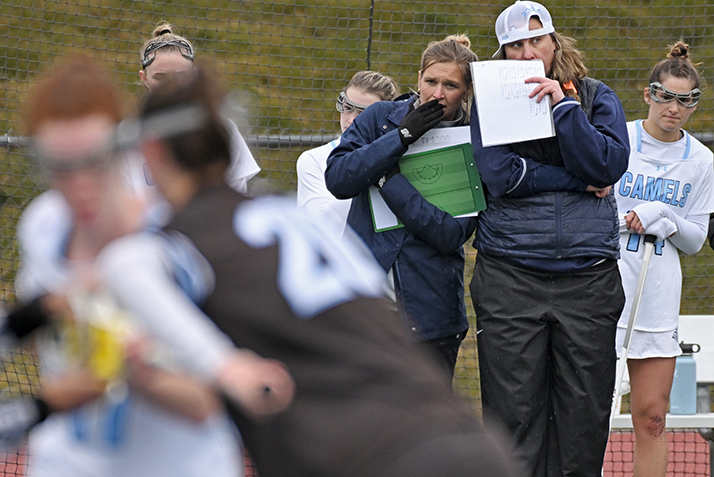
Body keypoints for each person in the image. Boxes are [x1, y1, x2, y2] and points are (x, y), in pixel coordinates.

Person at [96, 63, 520, 477]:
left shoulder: (192, 238)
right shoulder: (289, 218)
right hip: (472, 447)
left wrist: (224, 369)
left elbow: (121, 268)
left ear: (150, 151)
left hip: (376, 457)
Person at [14, 56, 292, 477]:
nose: (79, 185)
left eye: (94, 160)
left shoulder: (173, 238)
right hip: (68, 463)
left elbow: (204, 403)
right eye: (59, 168)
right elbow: (38, 336)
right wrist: (69, 329)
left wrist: (132, 369)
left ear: (124, 148)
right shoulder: (42, 226)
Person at [468, 1, 630, 475]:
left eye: (535, 40)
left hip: (589, 279)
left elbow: (605, 165)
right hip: (510, 276)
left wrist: (564, 107)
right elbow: (500, 176)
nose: (526, 53)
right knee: (512, 417)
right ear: (502, 53)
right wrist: (575, 180)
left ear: (554, 41)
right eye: (514, 45)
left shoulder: (597, 97)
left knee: (584, 417)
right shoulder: (489, 102)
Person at [324, 35, 479, 379]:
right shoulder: (380, 117)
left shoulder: (472, 140)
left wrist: (387, 181)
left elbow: (448, 233)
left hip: (430, 314)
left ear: (466, 91)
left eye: (450, 85)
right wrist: (400, 138)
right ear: (418, 77)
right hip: (364, 303)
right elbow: (337, 178)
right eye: (431, 81)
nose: (437, 93)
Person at [614, 41, 714, 477]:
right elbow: (590, 211)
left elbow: (694, 241)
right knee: (589, 412)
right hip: (605, 285)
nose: (674, 108)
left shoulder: (701, 161)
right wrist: (629, 217)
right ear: (648, 94)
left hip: (657, 295)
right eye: (665, 95)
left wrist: (664, 215)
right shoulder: (618, 137)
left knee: (652, 416)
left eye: (686, 100)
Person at [138, 22, 260, 195]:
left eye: (180, 76)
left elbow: (231, 199)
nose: (171, 86)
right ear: (144, 78)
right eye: (161, 77)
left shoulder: (222, 129)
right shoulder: (130, 136)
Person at [297, 70, 399, 233]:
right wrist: (367, 164)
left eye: (365, 114)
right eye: (348, 108)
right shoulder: (312, 160)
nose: (351, 119)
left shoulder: (402, 156)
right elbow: (320, 228)